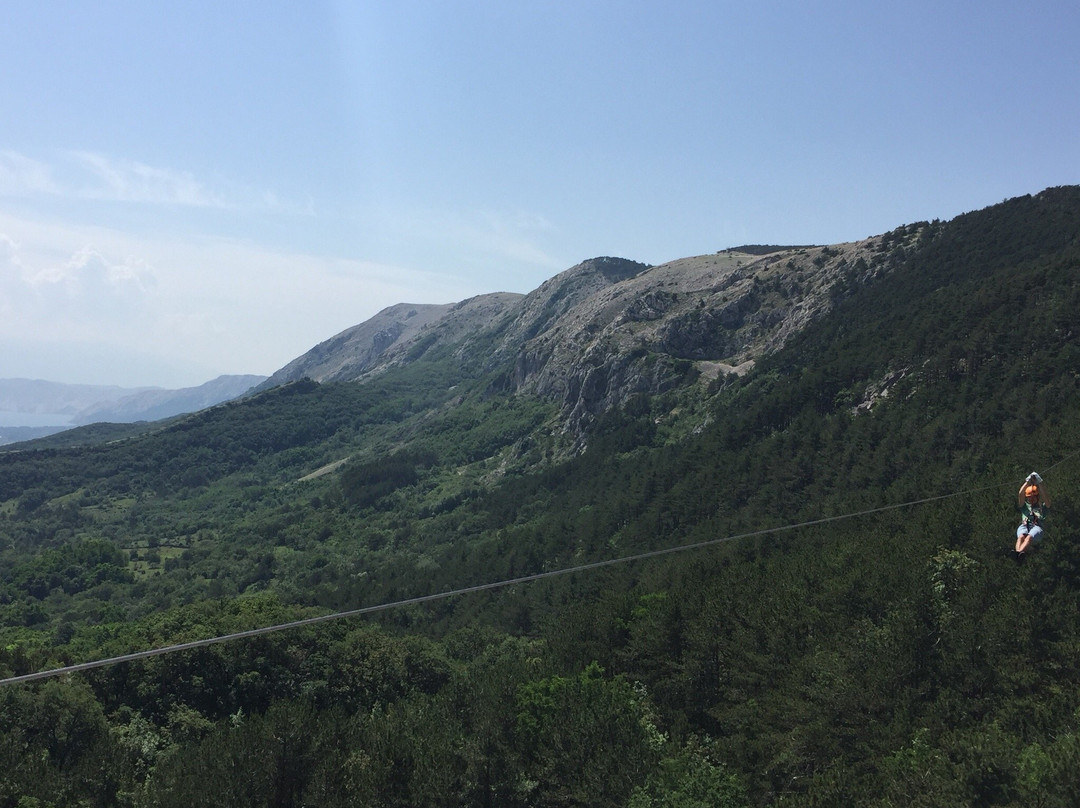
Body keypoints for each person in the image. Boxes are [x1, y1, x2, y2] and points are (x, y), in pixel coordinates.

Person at [1015, 472, 1051, 562]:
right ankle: (1018, 554)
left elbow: (1046, 497)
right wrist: (1027, 482)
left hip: (1037, 527)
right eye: (1029, 498)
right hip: (1024, 525)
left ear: (1037, 497)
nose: (1031, 499)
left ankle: (1019, 552)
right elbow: (1020, 494)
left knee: (1029, 537)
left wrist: (1040, 483)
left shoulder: (1042, 507)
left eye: (1034, 497)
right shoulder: (1024, 506)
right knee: (1021, 537)